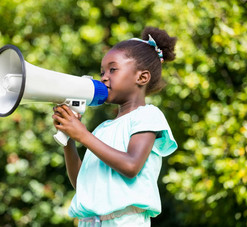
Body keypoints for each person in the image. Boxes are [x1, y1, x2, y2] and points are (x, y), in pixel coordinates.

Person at [52, 26, 178, 227]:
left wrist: (83, 135)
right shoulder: (102, 129)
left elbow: (130, 165)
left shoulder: (148, 115)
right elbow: (82, 184)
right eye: (102, 72)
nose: (104, 77)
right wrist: (69, 140)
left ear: (142, 78)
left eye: (113, 69)